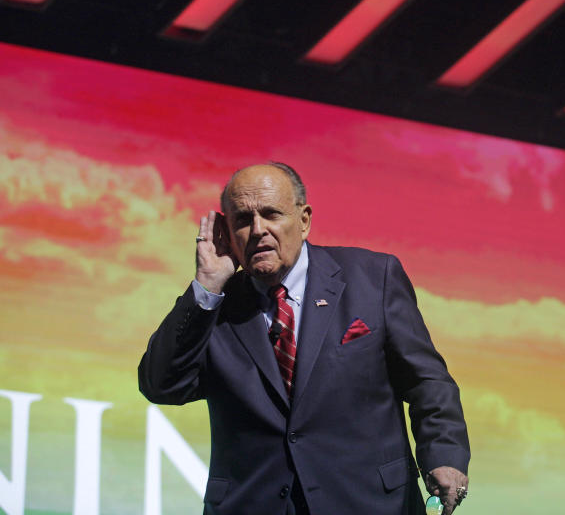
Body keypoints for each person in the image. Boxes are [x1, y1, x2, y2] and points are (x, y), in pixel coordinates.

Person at [139, 163, 469, 515]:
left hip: (369, 502)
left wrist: (443, 455)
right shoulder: (215, 308)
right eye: (242, 220)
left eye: (271, 214)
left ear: (304, 219)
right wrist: (206, 287)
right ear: (227, 232)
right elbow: (162, 386)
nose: (258, 230)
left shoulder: (373, 278)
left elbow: (427, 381)